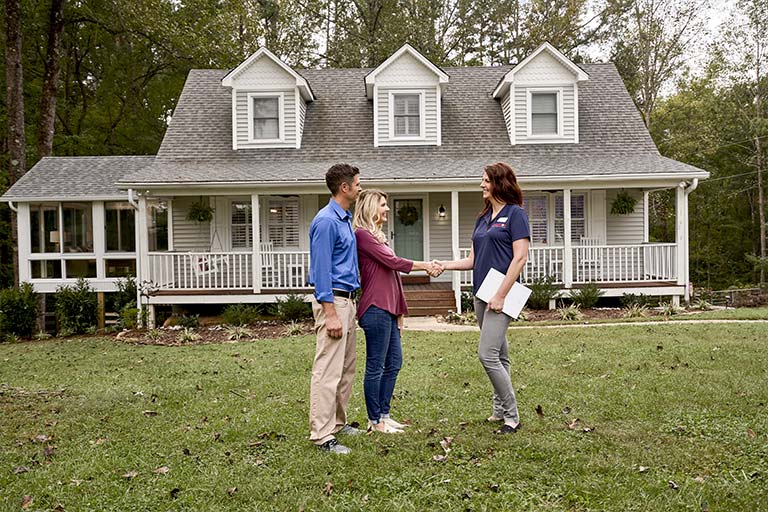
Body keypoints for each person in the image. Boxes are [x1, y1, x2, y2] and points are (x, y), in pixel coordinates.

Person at [435, 162, 530, 434]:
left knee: (487, 354)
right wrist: (444, 265)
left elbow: (520, 257)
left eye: (485, 180)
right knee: (500, 354)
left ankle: (512, 416)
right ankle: (499, 410)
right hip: (481, 292)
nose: (481, 185)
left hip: (503, 294)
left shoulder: (516, 215)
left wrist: (501, 295)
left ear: (499, 183)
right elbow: (471, 261)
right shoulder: (482, 218)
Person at [352, 190, 441, 434]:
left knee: (394, 363)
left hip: (389, 310)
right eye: (383, 205)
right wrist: (426, 265)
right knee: (376, 366)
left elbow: (394, 279)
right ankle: (374, 420)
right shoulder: (362, 236)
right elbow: (395, 264)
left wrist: (401, 313)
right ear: (371, 207)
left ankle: (384, 414)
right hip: (375, 308)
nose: (387, 209)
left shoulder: (379, 238)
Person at [308, 163, 364, 454]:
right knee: (328, 369)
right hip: (334, 302)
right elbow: (321, 270)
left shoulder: (344, 219)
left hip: (348, 300)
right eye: (357, 183)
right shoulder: (327, 221)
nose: (360, 187)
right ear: (345, 188)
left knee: (345, 368)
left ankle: (338, 423)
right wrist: (330, 312)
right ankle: (322, 434)